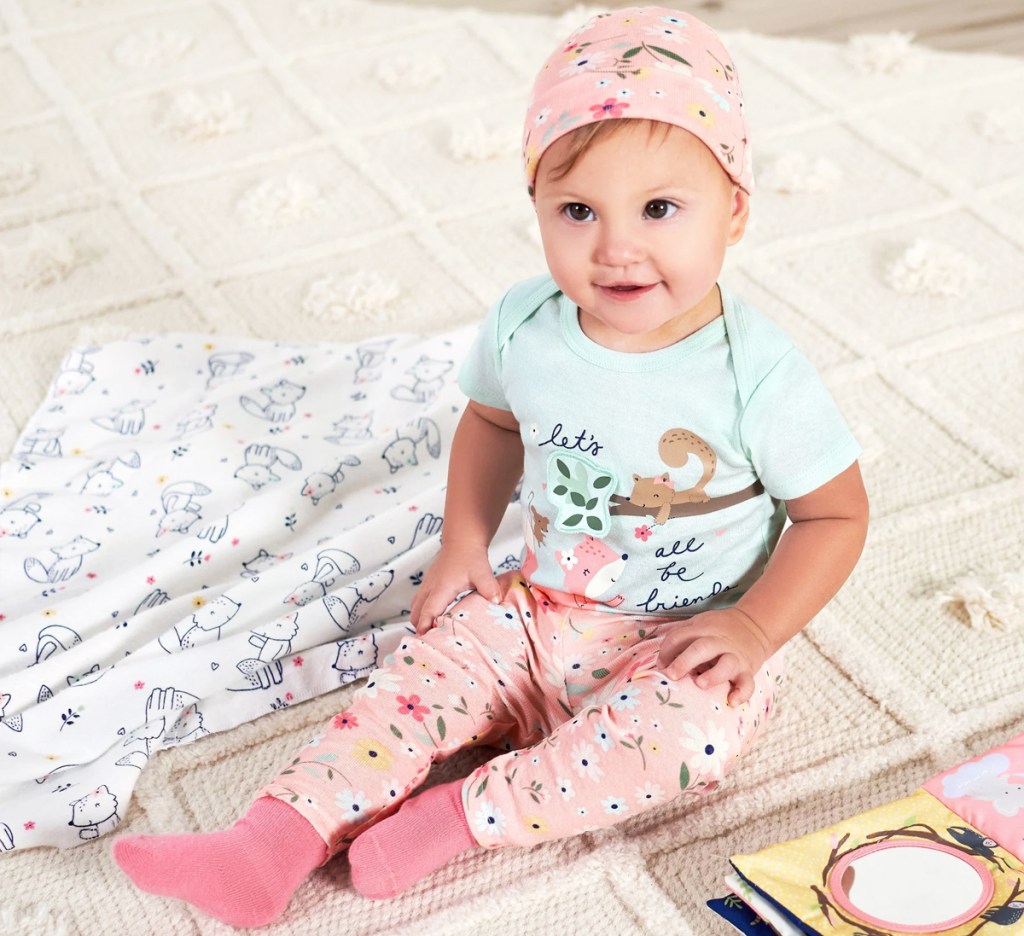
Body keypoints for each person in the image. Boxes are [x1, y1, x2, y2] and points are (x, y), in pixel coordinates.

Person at [111, 7, 869, 927]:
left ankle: (463, 819)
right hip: (537, 607)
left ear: (736, 210)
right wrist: (464, 543)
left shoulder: (758, 373)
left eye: (660, 209)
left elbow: (836, 516)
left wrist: (752, 629)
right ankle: (272, 840)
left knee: (687, 741)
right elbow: (492, 421)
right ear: (537, 205)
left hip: (681, 640)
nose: (617, 246)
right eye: (578, 210)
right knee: (419, 674)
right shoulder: (527, 323)